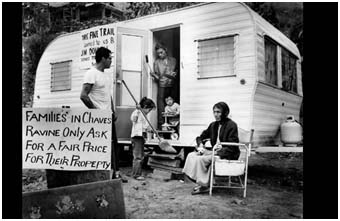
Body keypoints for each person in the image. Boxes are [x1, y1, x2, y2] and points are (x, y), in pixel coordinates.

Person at [80, 47, 127, 183]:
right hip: (98, 119)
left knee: (114, 145)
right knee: (99, 148)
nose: (111, 61)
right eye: (110, 58)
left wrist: (112, 110)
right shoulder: (91, 73)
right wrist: (97, 113)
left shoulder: (105, 75)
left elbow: (108, 95)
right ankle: (100, 177)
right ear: (103, 58)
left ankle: (116, 174)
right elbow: (83, 96)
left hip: (108, 116)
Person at [182, 102, 239, 195]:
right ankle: (198, 180)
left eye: (218, 112)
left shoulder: (231, 125)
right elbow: (201, 137)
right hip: (214, 151)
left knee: (203, 159)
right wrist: (200, 145)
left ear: (225, 112)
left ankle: (204, 185)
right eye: (214, 112)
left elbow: (232, 146)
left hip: (227, 153)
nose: (215, 114)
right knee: (191, 155)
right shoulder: (213, 125)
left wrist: (216, 152)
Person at [151, 43, 177, 129]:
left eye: (161, 52)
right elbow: (157, 77)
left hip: (172, 85)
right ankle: (161, 125)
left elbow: (176, 72)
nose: (160, 55)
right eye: (158, 53)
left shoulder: (173, 60)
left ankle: (173, 125)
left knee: (173, 105)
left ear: (165, 50)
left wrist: (175, 74)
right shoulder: (157, 62)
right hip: (162, 85)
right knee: (161, 106)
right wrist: (154, 76)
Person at [130, 97, 156, 180]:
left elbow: (146, 127)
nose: (149, 112)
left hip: (141, 137)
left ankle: (137, 173)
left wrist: (152, 130)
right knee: (138, 157)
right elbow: (133, 119)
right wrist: (137, 110)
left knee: (141, 156)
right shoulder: (137, 112)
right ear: (144, 107)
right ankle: (136, 175)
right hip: (136, 137)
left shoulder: (144, 116)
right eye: (149, 109)